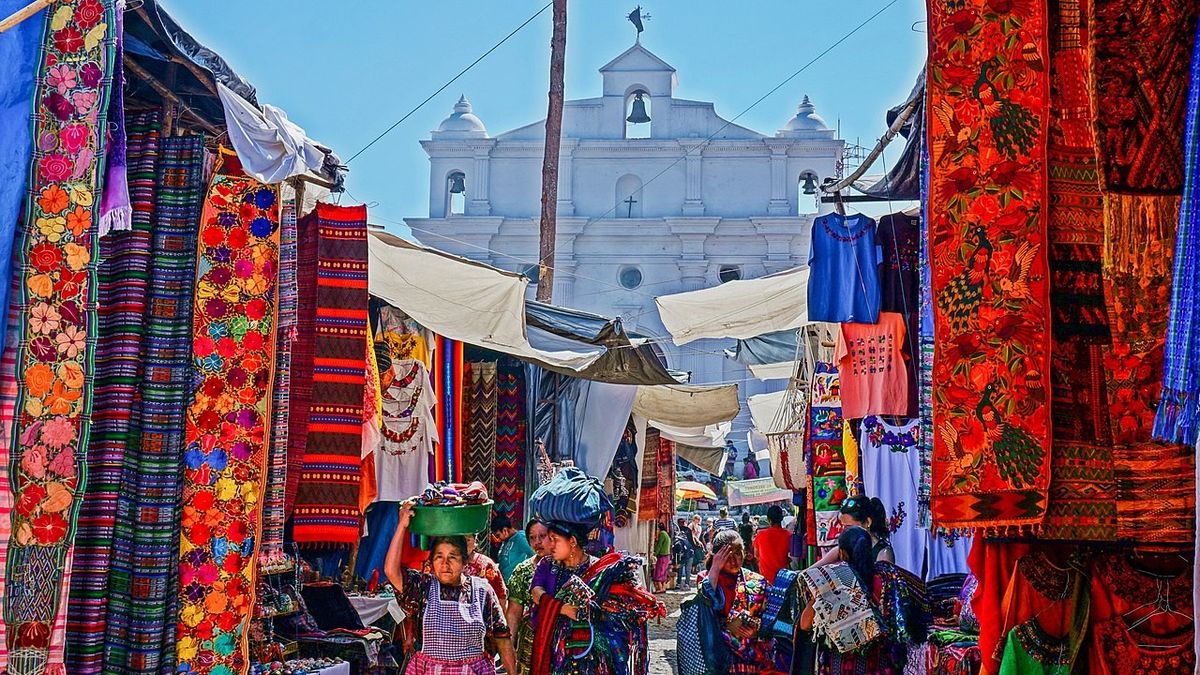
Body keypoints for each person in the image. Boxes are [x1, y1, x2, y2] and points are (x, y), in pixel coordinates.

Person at [384, 503, 517, 675]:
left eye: (452, 557)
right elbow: (390, 571)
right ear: (431, 562)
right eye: (439, 557)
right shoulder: (422, 587)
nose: (445, 564)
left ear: (464, 561)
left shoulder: (482, 590)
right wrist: (402, 525)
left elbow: (502, 637)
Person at [529, 520, 665, 674]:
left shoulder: (601, 570)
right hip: (556, 651)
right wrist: (562, 608)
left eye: (555, 540)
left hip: (594, 657)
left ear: (572, 541)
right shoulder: (547, 565)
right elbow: (536, 592)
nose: (550, 545)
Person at [799, 527, 928, 674]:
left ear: (842, 553)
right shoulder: (888, 577)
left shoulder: (831, 583)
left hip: (841, 667)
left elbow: (805, 624)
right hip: (880, 664)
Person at [693, 529, 782, 674]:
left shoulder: (758, 581)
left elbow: (773, 618)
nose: (734, 561)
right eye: (728, 556)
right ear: (718, 557)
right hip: (719, 657)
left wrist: (756, 630)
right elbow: (705, 612)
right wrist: (715, 567)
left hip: (753, 659)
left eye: (738, 554)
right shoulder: (706, 579)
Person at [506, 518, 551, 675]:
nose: (537, 542)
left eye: (542, 536)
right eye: (532, 538)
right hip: (530, 644)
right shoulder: (523, 571)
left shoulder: (564, 568)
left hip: (557, 644)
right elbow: (513, 613)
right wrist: (509, 647)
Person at [808, 495, 894, 570]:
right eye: (843, 526)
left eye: (848, 526)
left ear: (868, 522)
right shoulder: (844, 549)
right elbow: (810, 570)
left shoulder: (883, 553)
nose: (844, 531)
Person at [754, 505, 793, 585]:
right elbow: (792, 558)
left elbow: (756, 555)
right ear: (782, 518)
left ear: (769, 519)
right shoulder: (789, 535)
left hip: (765, 581)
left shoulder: (760, 535)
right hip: (783, 580)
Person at [492, 513, 534, 582]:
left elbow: (534, 555)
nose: (497, 539)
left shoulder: (521, 538)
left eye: (498, 535)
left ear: (505, 530)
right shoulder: (506, 541)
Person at [673, 516, 697, 590]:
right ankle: (686, 583)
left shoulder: (677, 531)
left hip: (684, 552)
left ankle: (680, 583)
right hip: (689, 551)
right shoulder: (688, 530)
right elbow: (692, 541)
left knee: (682, 568)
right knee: (687, 569)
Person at [653, 521, 672, 593]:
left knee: (658, 572)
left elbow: (659, 545)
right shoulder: (666, 534)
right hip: (667, 556)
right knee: (663, 572)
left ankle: (660, 588)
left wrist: (655, 553)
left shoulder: (662, 534)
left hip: (662, 556)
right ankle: (663, 587)